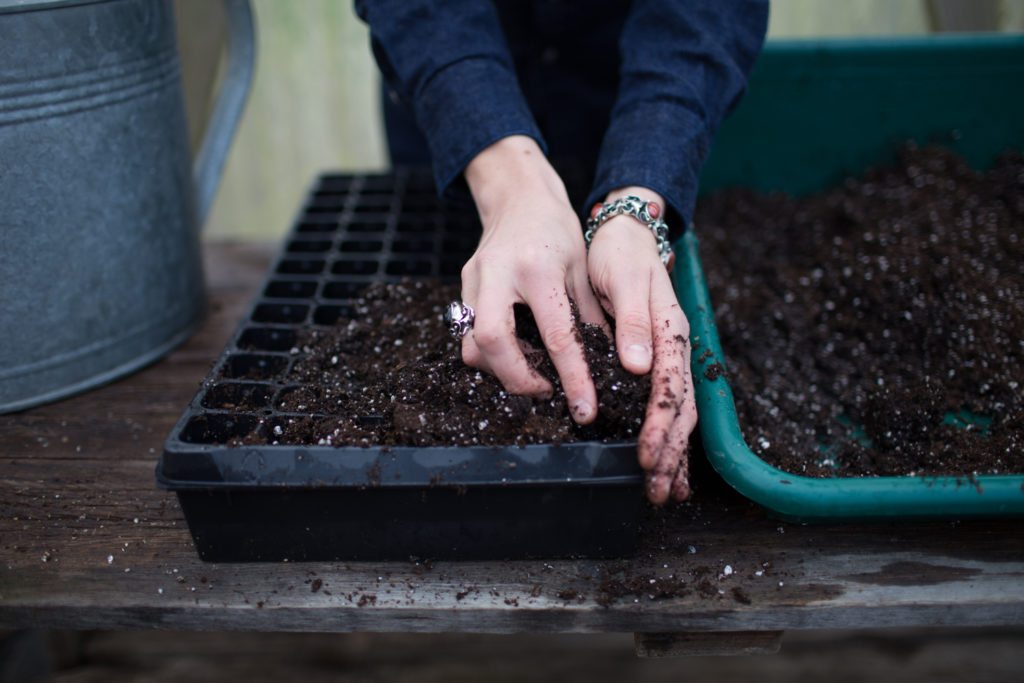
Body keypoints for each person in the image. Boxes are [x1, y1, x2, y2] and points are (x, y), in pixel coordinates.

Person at [355, 0, 769, 504]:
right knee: (463, 306)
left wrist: (634, 208)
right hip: (454, 94)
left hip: (622, 100)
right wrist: (510, 185)